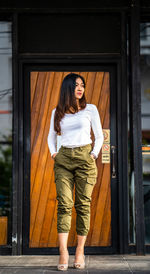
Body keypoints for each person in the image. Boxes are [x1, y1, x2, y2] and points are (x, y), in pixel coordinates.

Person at [47, 73, 104, 271]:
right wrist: (54, 153)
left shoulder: (90, 109)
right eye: (75, 85)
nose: (80, 88)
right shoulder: (58, 111)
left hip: (85, 158)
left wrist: (94, 155)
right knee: (64, 204)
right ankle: (63, 251)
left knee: (83, 205)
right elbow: (50, 137)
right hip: (63, 159)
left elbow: (99, 135)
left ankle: (80, 250)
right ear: (67, 89)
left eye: (82, 85)